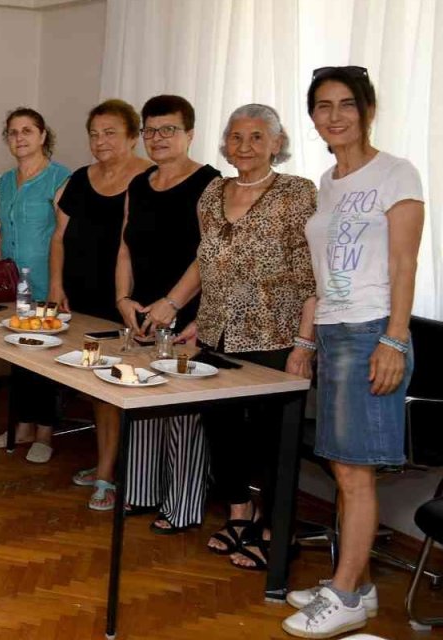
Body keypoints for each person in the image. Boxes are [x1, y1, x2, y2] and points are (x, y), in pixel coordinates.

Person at [282, 66, 423, 639]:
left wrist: (394, 339)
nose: (334, 116)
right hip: (334, 331)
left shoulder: (396, 172)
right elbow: (323, 272)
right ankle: (357, 587)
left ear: (367, 110)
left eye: (345, 104)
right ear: (313, 117)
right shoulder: (329, 180)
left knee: (355, 473)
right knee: (344, 467)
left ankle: (342, 596)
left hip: (371, 331)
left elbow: (404, 264)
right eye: (323, 106)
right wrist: (306, 340)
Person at [182, 104, 317, 570]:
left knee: (271, 438)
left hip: (275, 335)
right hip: (217, 332)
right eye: (236, 137)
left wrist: (305, 344)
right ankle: (239, 512)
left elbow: (312, 275)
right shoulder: (212, 192)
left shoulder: (298, 193)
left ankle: (278, 529)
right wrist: (190, 314)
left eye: (257, 137)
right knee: (221, 428)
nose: (245, 146)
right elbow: (207, 261)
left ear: (277, 143)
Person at [115, 95, 220, 534]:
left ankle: (182, 505)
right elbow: (125, 246)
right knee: (143, 394)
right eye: (150, 130)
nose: (157, 138)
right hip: (140, 310)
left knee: (183, 408)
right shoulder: (140, 184)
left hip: (188, 312)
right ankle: (141, 491)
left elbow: (208, 254)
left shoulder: (211, 184)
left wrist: (172, 303)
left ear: (189, 134)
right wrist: (123, 298)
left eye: (168, 130)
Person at [50, 99, 151, 509]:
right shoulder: (80, 178)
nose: (100, 141)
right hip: (81, 300)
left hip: (124, 302)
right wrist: (56, 285)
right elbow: (59, 237)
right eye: (94, 134)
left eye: (110, 132)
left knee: (115, 385)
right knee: (95, 385)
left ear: (132, 135)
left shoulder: (149, 178)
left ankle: (110, 475)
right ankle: (106, 465)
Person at [0, 107, 71, 463]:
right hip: (13, 282)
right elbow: (3, 231)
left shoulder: (60, 178)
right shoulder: (6, 181)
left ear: (42, 135)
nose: (19, 138)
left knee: (45, 357)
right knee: (19, 355)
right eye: (13, 132)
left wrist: (57, 285)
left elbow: (63, 236)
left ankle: (45, 434)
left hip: (45, 280)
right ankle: (21, 427)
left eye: (27, 131)